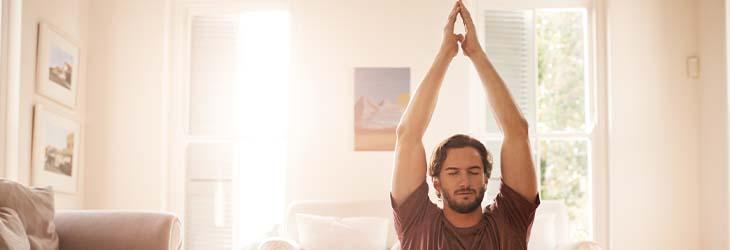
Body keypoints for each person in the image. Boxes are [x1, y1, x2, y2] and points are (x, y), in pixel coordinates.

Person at [389, 1, 540, 249]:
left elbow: (517, 132)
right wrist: (445, 54)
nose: (465, 181)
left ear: (485, 179)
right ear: (436, 181)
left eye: (473, 171)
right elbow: (407, 135)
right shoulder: (416, 221)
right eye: (453, 172)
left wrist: (476, 54)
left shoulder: (511, 220)